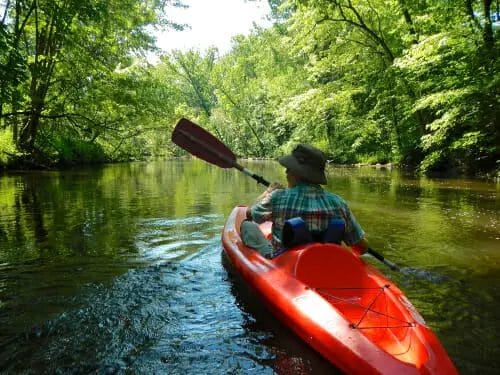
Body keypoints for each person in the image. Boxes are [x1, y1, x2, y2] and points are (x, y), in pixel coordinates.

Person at [240, 144, 369, 258]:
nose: (286, 172)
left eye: (289, 168)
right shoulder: (339, 203)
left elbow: (251, 214)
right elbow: (361, 248)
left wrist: (267, 193)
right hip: (326, 261)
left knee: (247, 225)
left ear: (297, 172)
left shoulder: (277, 196)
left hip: (283, 262)